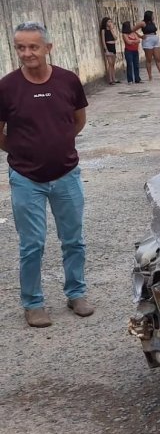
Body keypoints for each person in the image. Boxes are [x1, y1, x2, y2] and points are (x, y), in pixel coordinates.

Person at [0, 21, 92, 327]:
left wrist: (58, 143)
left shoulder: (68, 81)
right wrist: (23, 152)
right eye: (21, 48)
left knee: (73, 240)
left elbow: (78, 121)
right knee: (32, 244)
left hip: (66, 174)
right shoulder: (7, 87)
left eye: (33, 47)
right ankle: (33, 302)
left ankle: (76, 293)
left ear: (48, 48)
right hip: (26, 179)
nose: (27, 53)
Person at [136, 10, 160, 81]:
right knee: (149, 59)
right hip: (147, 39)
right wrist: (140, 36)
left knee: (158, 58)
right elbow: (133, 29)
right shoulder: (142, 23)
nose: (153, 17)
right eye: (152, 15)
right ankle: (150, 76)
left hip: (155, 38)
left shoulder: (153, 23)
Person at [99, 17, 118, 85]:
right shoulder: (103, 30)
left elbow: (115, 38)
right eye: (108, 22)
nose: (110, 23)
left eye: (110, 22)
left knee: (113, 64)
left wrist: (111, 29)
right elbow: (103, 41)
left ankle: (114, 78)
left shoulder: (111, 29)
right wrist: (106, 50)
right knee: (110, 63)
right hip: (108, 46)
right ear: (105, 22)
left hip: (113, 46)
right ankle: (110, 79)